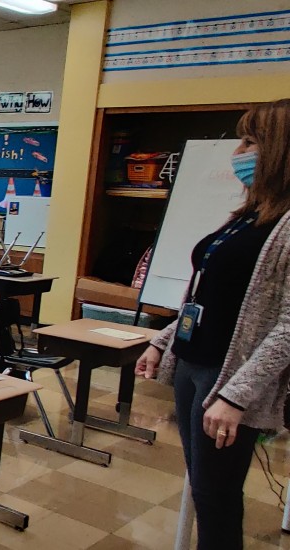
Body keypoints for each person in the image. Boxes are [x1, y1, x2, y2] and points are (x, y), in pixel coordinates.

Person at [135, 99, 290, 550]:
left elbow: (288, 325)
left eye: (252, 141)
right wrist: (163, 341)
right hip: (193, 365)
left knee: (216, 498)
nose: (239, 150)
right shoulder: (248, 216)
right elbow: (204, 294)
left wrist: (235, 396)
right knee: (205, 490)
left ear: (279, 151)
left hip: (228, 381)